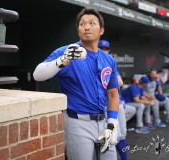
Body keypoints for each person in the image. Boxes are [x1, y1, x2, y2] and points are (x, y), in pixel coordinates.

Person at [33, 8, 119, 160]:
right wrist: (62, 61)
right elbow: (37, 75)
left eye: (92, 23)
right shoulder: (67, 51)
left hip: (103, 121)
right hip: (77, 122)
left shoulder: (109, 60)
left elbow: (112, 94)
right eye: (82, 24)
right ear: (78, 30)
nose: (86, 26)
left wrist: (112, 123)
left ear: (101, 30)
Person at [99, 40, 130, 160]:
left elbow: (120, 83)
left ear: (109, 50)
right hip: (104, 105)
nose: (103, 50)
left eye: (106, 49)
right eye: (101, 48)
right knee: (108, 135)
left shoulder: (110, 62)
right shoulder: (94, 63)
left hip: (116, 103)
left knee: (121, 134)